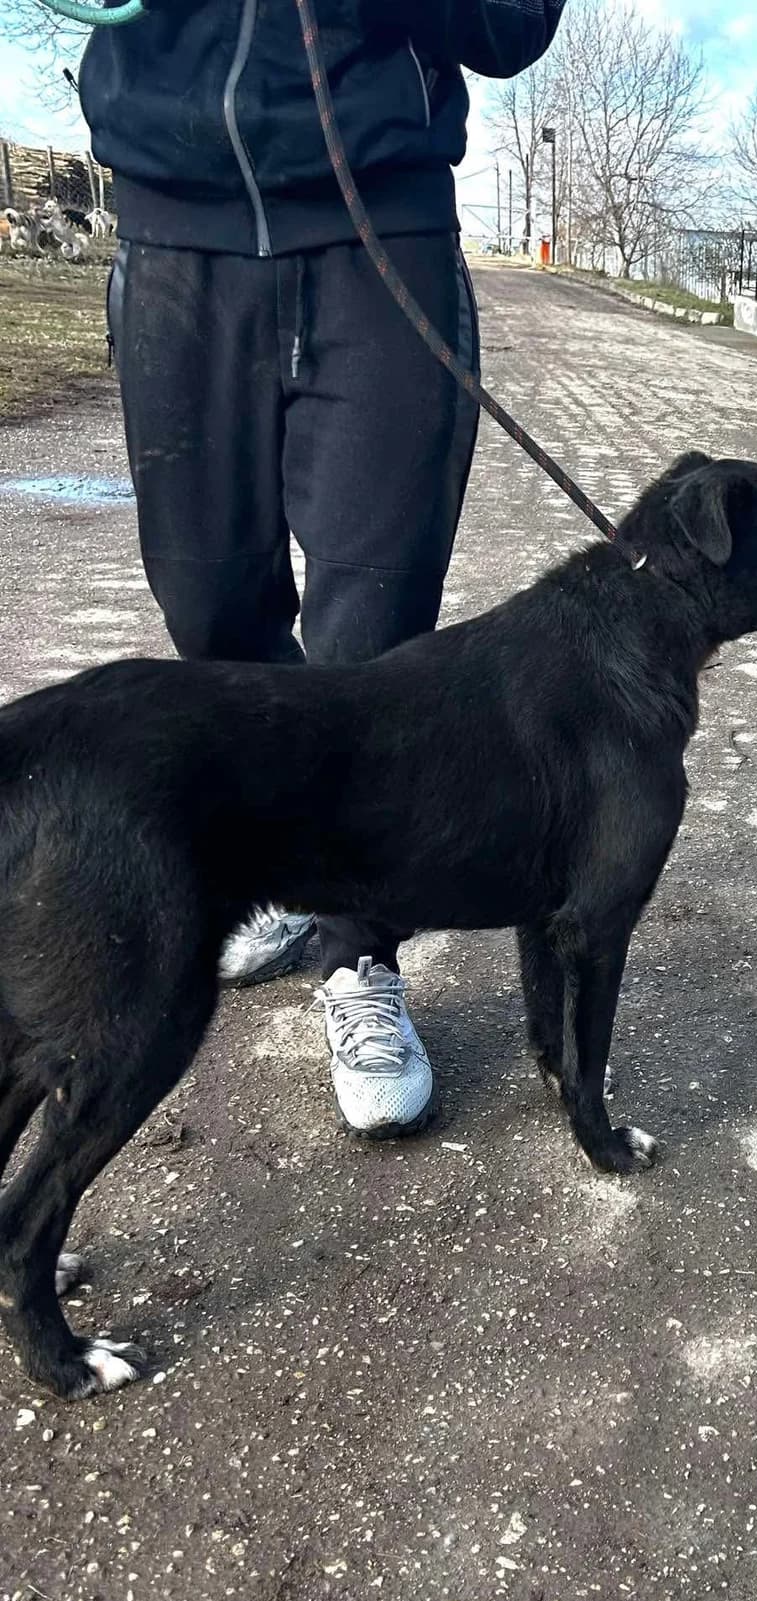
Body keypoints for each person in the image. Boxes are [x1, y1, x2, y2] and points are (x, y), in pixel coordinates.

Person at [77, 2, 565, 1138]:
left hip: (376, 233)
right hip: (173, 234)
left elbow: (511, 24)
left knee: (374, 636)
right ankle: (277, 869)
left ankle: (359, 951)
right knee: (208, 603)